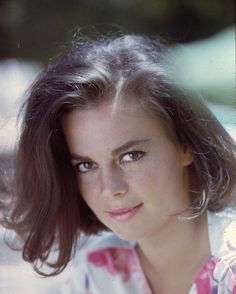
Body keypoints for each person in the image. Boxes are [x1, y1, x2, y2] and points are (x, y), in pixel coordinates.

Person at [2, 35, 236, 293]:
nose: (110, 188)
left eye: (131, 156)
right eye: (86, 165)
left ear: (185, 145)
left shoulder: (230, 269)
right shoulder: (95, 275)